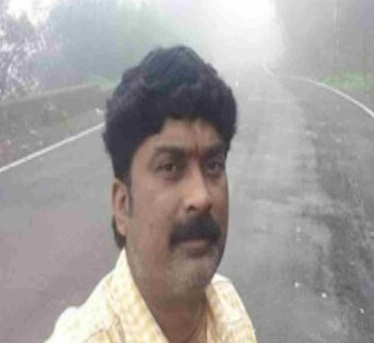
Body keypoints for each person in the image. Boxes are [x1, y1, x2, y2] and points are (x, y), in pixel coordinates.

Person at [46, 46, 257, 342]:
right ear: (122, 206)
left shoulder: (229, 308)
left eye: (213, 165)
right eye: (170, 167)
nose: (201, 197)